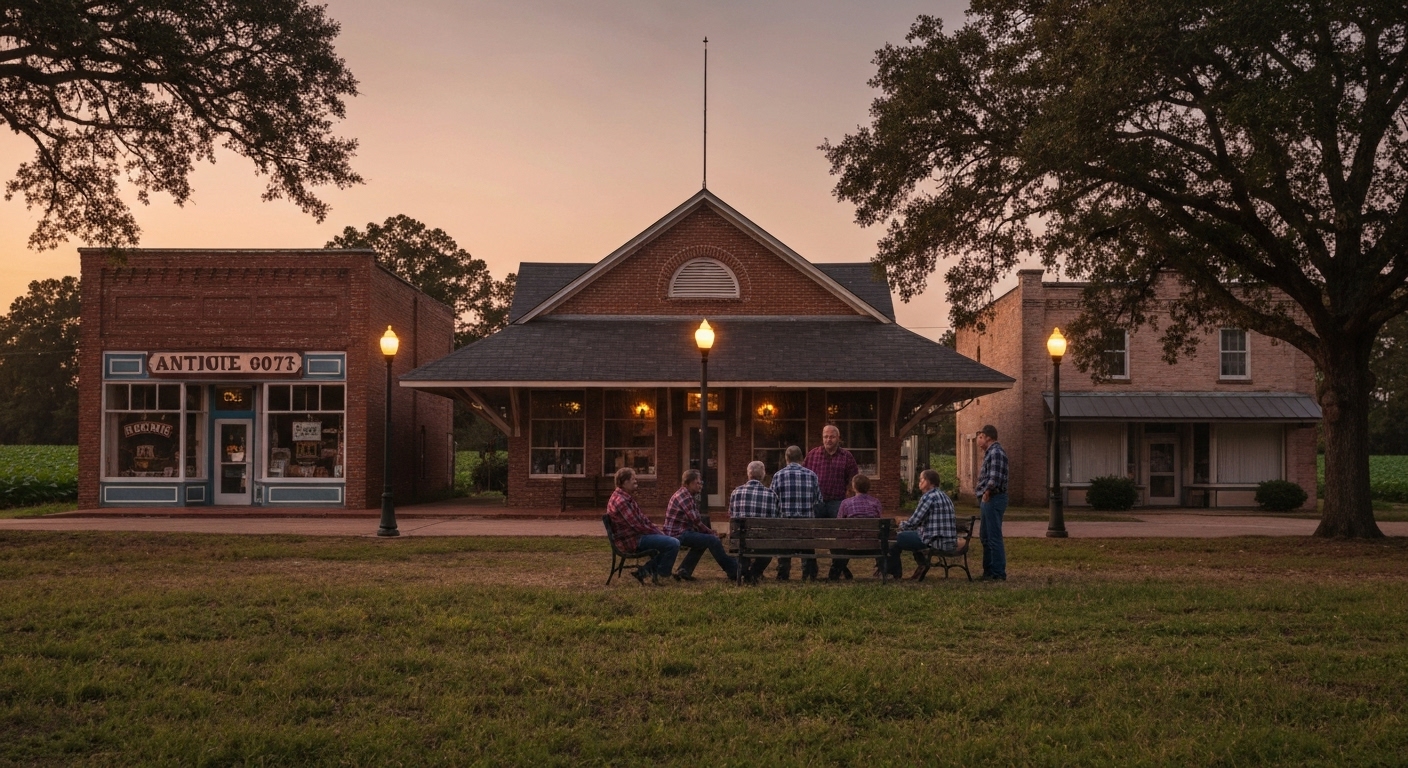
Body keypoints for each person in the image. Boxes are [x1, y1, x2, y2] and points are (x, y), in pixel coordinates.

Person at [605, 467, 679, 585]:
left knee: (668, 540)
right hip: (632, 541)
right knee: (673, 543)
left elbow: (643, 519)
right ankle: (663, 574)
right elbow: (637, 525)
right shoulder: (621, 501)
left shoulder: (626, 497)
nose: (636, 481)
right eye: (633, 479)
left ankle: (643, 572)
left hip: (635, 536)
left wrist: (657, 530)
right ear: (624, 482)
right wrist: (657, 533)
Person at [664, 469, 740, 581]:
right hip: (677, 534)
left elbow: (695, 520)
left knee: (703, 541)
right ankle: (733, 570)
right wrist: (710, 532)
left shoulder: (686, 495)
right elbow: (696, 521)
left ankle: (684, 570)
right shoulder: (684, 496)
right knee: (712, 540)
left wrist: (707, 532)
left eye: (701, 483)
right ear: (688, 483)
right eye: (697, 483)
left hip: (682, 531)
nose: (700, 486)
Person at [884, 468, 958, 579]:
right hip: (948, 541)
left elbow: (913, 522)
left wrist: (900, 525)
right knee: (912, 535)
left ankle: (895, 573)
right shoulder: (945, 496)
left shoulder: (928, 497)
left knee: (894, 539)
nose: (919, 482)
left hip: (934, 541)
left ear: (928, 482)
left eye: (921, 479)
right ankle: (922, 563)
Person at [770, 444, 823, 580]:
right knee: (807, 545)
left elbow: (772, 500)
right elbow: (819, 501)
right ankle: (809, 572)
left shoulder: (778, 476)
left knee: (784, 545)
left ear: (786, 458)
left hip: (785, 525)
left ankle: (783, 573)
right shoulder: (812, 475)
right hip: (806, 525)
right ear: (802, 458)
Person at [728, 460, 782, 585]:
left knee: (743, 548)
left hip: (740, 540)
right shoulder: (771, 495)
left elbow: (731, 515)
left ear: (748, 474)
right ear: (763, 475)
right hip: (762, 542)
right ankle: (754, 573)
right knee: (767, 550)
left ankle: (745, 571)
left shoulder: (736, 492)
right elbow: (776, 520)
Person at [828, 473, 882, 581]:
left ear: (854, 487)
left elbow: (839, 523)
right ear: (869, 487)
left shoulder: (846, 503)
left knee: (835, 543)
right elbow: (880, 522)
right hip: (872, 545)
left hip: (850, 545)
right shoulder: (876, 503)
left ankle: (839, 570)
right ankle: (881, 568)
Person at [975, 424, 1009, 581]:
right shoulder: (990, 453)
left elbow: (994, 477)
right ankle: (988, 571)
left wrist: (987, 491)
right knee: (985, 536)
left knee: (993, 536)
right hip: (988, 498)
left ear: (988, 437)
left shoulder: (996, 452)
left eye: (981, 436)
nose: (978, 440)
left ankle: (997, 572)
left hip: (993, 498)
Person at [805, 424, 859, 519]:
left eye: (832, 437)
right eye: (825, 437)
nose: (828, 440)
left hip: (838, 502)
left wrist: (849, 499)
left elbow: (853, 479)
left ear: (838, 438)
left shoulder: (846, 456)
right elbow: (804, 476)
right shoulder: (812, 455)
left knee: (838, 527)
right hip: (816, 502)